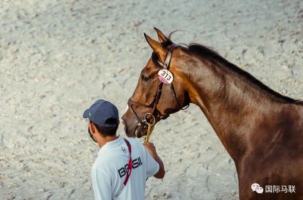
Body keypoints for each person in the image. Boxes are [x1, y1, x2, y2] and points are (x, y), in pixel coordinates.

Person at [83, 99, 165, 200]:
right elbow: (160, 173)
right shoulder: (136, 145)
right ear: (117, 123)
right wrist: (153, 153)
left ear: (92, 127)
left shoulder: (100, 167)